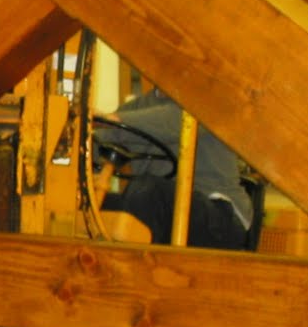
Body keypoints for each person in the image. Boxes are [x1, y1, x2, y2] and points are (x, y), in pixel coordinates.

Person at [98, 86, 252, 250]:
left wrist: (112, 121)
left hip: (220, 215)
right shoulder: (140, 105)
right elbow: (102, 136)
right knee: (93, 205)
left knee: (150, 192)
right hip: (162, 209)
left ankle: (132, 268)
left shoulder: (205, 101)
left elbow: (171, 122)